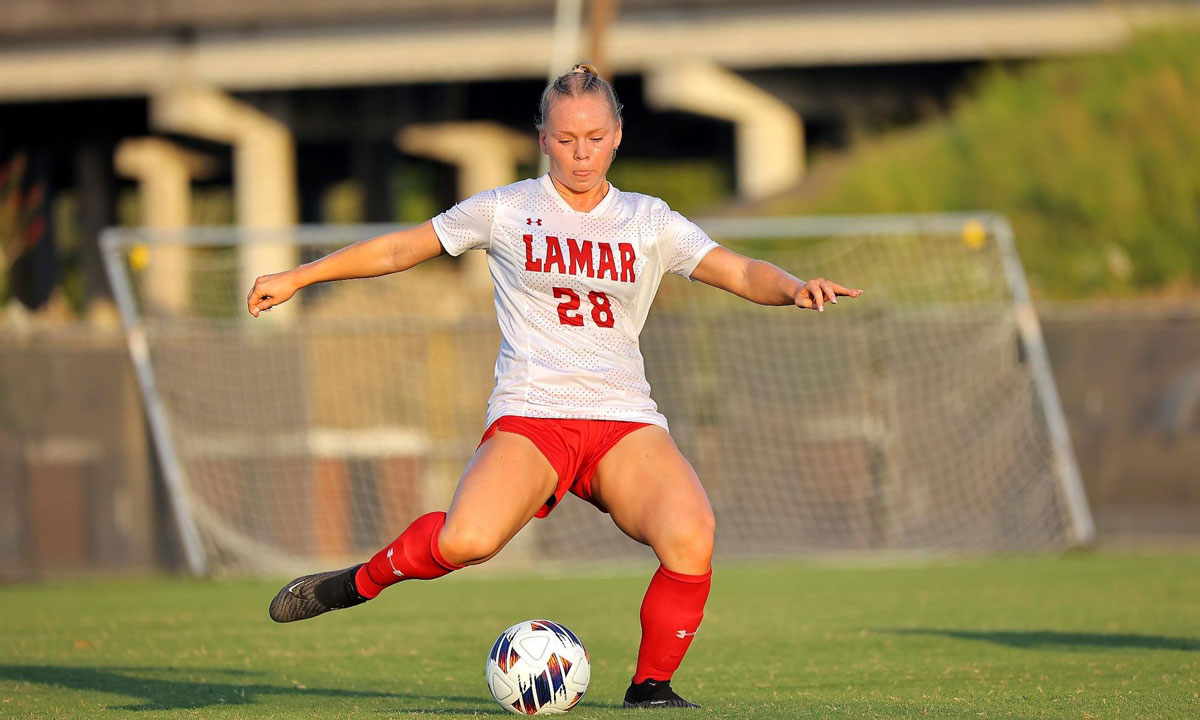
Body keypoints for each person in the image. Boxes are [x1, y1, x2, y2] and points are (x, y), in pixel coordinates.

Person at [247, 63, 862, 710]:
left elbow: (737, 271)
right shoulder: (507, 209)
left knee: (692, 535)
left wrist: (794, 287)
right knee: (467, 542)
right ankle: (356, 584)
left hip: (623, 418)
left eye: (595, 137)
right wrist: (300, 277)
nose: (581, 153)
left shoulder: (647, 219)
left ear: (618, 134)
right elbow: (403, 249)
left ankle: (651, 688)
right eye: (567, 138)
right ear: (544, 138)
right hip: (534, 415)